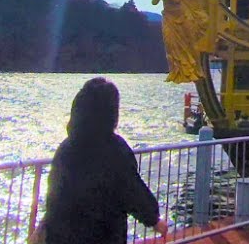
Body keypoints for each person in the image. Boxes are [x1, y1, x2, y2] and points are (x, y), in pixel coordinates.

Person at [42, 78, 168, 244]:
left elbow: (54, 194)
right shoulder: (115, 149)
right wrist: (153, 219)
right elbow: (131, 190)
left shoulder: (66, 148)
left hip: (62, 234)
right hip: (103, 234)